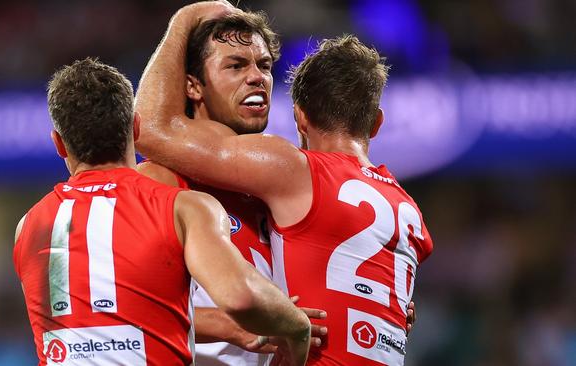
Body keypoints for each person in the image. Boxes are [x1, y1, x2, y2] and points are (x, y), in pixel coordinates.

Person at [135, 3, 434, 365]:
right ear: (193, 86)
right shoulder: (159, 182)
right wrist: (232, 322)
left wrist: (373, 299)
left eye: (264, 66)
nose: (256, 77)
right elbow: (119, 306)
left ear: (299, 118)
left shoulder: (281, 192)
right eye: (236, 65)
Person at [13, 56, 311, 366]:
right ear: (136, 127)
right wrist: (297, 326)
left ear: (59, 144)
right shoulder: (182, 206)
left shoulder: (29, 226)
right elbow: (241, 297)